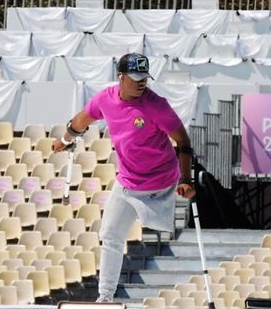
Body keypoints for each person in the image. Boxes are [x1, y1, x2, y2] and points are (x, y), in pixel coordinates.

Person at [52, 52, 196, 303]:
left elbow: (183, 142)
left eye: (145, 78)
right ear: (120, 76)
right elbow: (80, 121)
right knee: (109, 235)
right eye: (136, 77)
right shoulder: (105, 100)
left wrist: (186, 180)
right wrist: (64, 141)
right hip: (128, 181)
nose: (142, 83)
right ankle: (105, 298)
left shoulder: (156, 105)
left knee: (150, 230)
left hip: (159, 182)